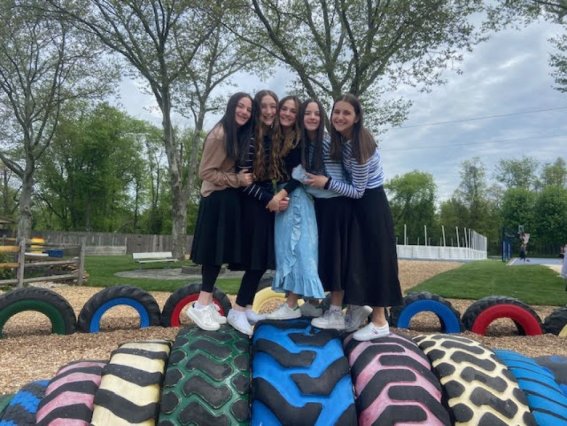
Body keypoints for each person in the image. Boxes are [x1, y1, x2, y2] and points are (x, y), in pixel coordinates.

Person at [305, 93, 403, 341]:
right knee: (360, 261)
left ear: (357, 117)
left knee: (376, 260)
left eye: (346, 113)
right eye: (336, 112)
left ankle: (380, 322)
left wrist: (326, 182)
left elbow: (358, 190)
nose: (340, 117)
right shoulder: (344, 140)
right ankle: (358, 311)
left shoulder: (359, 146)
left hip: (371, 204)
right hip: (361, 205)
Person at [187, 92, 254, 331]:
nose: (244, 112)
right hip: (216, 198)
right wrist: (237, 179)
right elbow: (205, 172)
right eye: (240, 106)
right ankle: (200, 305)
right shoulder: (220, 135)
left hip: (226, 197)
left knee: (218, 254)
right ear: (231, 106)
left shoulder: (234, 133)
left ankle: (206, 305)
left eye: (248, 109)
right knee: (212, 254)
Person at [226, 90, 289, 336]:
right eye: (264, 106)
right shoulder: (251, 138)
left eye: (274, 106)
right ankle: (237, 310)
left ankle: (248, 306)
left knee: (261, 259)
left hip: (263, 200)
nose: (270, 111)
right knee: (257, 260)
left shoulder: (269, 137)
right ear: (257, 108)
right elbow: (245, 181)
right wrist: (269, 199)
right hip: (252, 203)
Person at [264, 96, 325, 320]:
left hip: (294, 198)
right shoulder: (277, 137)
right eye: (284, 109)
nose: (287, 113)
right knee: (289, 248)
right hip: (285, 196)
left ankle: (291, 306)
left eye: (293, 111)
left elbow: (299, 174)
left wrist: (280, 195)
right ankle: (312, 304)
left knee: (297, 249)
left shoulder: (299, 139)